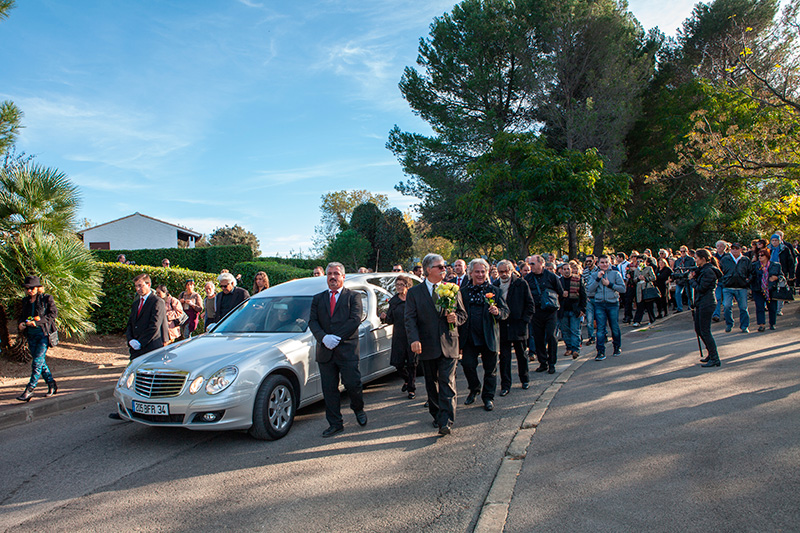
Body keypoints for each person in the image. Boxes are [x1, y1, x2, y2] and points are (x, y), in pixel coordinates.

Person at [405, 253, 468, 436]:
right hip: (427, 345)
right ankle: (436, 414)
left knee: (447, 382)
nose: (444, 269)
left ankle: (446, 420)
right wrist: (414, 340)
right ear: (427, 270)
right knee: (431, 384)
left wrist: (455, 319)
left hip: (449, 342)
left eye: (445, 266)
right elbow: (409, 319)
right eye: (439, 267)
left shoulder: (452, 289)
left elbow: (463, 315)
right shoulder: (415, 293)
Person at [308, 262, 367, 437]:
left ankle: (358, 409)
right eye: (329, 274)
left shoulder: (353, 297)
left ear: (343, 277)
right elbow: (312, 322)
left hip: (347, 350)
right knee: (329, 389)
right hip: (325, 351)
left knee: (352, 384)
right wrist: (324, 337)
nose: (332, 277)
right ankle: (335, 423)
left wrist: (337, 337)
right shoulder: (318, 299)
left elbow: (355, 319)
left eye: (336, 274)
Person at [111, 273, 167, 419]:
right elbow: (130, 324)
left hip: (151, 347)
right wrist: (130, 340)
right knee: (132, 379)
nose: (138, 289)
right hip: (136, 347)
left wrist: (141, 342)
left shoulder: (157, 301)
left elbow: (154, 326)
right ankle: (127, 409)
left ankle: (155, 410)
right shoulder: (136, 303)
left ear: (149, 285)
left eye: (141, 285)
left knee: (151, 379)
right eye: (136, 286)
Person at [459, 258, 508, 411]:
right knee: (467, 365)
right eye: (477, 272)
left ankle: (488, 397)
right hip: (469, 337)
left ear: (487, 273)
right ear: (471, 273)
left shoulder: (495, 291)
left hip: (488, 336)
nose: (480, 275)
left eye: (483, 272)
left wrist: (498, 312)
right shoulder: (463, 292)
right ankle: (474, 388)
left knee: (490, 370)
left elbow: (506, 312)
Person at [493, 259, 534, 396]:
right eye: (501, 272)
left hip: (518, 324)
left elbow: (530, 304)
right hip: (503, 325)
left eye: (506, 271)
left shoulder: (520, 283)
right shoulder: (495, 285)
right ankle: (505, 385)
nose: (504, 274)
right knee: (504, 357)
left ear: (511, 270)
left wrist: (524, 321)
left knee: (521, 354)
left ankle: (525, 379)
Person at [15, 275, 58, 402]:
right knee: (40, 363)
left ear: (38, 288)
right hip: (31, 335)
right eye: (27, 288)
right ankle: (51, 384)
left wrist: (38, 323)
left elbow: (53, 314)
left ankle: (29, 389)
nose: (29, 291)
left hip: (43, 334)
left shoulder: (46, 298)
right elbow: (23, 316)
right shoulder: (26, 301)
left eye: (32, 288)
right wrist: (22, 323)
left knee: (36, 363)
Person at [381, 275, 416, 398]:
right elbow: (390, 320)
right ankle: (406, 379)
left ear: (407, 286)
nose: (399, 287)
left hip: (412, 334)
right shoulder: (394, 301)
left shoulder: (412, 299)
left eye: (401, 284)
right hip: (399, 335)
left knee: (412, 363)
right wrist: (384, 317)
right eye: (397, 285)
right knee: (398, 363)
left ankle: (411, 389)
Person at [525, 255, 562, 374]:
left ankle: (552, 363)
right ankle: (543, 362)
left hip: (550, 312)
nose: (530, 267)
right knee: (538, 338)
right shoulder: (528, 278)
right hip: (536, 312)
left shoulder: (551, 276)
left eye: (533, 264)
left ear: (541, 263)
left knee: (551, 336)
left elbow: (560, 292)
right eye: (530, 264)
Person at [585, 255, 625, 361]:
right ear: (598, 263)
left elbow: (622, 288)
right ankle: (600, 351)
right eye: (602, 262)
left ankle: (617, 347)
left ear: (610, 262)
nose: (604, 264)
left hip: (612, 303)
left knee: (614, 327)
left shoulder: (615, 274)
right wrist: (598, 278)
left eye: (606, 262)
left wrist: (610, 284)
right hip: (599, 304)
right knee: (600, 329)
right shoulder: (594, 275)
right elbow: (589, 289)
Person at [688, 249, 723, 367]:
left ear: (703, 258)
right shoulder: (704, 270)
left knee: (705, 331)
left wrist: (692, 280)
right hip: (701, 302)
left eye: (696, 258)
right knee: (699, 330)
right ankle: (711, 354)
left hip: (706, 302)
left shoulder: (709, 271)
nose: (695, 260)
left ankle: (715, 357)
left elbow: (701, 288)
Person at [719, 243, 750, 333]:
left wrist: (747, 281)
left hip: (741, 287)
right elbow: (720, 271)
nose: (735, 250)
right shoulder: (725, 259)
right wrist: (724, 280)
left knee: (743, 307)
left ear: (740, 249)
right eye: (733, 248)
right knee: (727, 306)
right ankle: (729, 324)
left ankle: (744, 326)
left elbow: (751, 272)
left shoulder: (745, 260)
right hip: (728, 286)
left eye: (737, 248)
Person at [558, 261, 586, 359]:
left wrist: (583, 309)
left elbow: (583, 295)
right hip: (563, 310)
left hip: (575, 309)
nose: (566, 271)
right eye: (564, 269)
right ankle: (568, 347)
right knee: (565, 331)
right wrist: (562, 295)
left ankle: (575, 349)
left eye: (568, 269)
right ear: (561, 271)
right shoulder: (559, 281)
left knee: (575, 330)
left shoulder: (577, 280)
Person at [750, 248, 782, 331]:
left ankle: (772, 323)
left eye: (762, 255)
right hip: (758, 289)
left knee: (772, 308)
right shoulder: (755, 265)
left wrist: (776, 278)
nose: (760, 257)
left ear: (767, 256)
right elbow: (750, 276)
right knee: (760, 307)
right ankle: (761, 324)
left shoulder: (775, 265)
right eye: (759, 255)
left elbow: (781, 276)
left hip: (771, 289)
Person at [632, 257, 657, 327]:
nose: (639, 262)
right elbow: (634, 279)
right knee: (640, 305)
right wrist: (637, 278)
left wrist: (645, 278)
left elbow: (653, 277)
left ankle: (652, 319)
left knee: (649, 305)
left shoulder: (649, 268)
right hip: (639, 289)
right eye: (638, 261)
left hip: (647, 287)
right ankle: (637, 320)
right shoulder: (637, 270)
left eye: (641, 261)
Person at [673, 246, 696, 312]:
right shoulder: (678, 260)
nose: (682, 253)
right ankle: (679, 308)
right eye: (681, 251)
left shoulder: (691, 259)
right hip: (680, 279)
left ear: (687, 251)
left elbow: (693, 268)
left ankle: (690, 308)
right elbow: (675, 269)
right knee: (677, 293)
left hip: (688, 279)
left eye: (684, 251)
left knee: (689, 294)